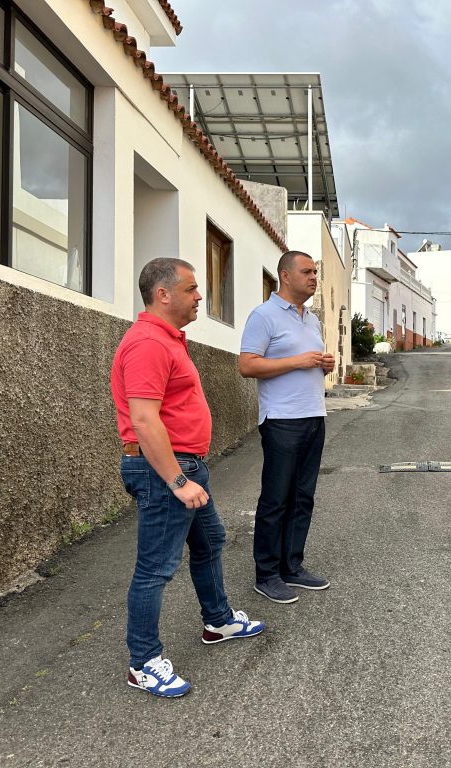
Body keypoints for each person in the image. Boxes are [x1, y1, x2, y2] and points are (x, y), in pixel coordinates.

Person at [111, 258, 265, 699]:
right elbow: (143, 419)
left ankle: (218, 621)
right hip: (167, 472)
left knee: (211, 541)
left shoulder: (168, 340)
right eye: (192, 289)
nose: (200, 296)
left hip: (184, 467)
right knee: (155, 568)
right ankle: (142, 663)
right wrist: (178, 481)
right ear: (163, 294)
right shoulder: (147, 343)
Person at [240, 251, 334, 604]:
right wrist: (298, 361)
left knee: (303, 497)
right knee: (276, 498)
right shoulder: (263, 316)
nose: (313, 277)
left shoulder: (312, 320)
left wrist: (322, 365)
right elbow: (247, 366)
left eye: (315, 272)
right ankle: (266, 574)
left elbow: (307, 365)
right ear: (285, 276)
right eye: (306, 272)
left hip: (314, 416)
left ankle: (292, 567)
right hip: (281, 420)